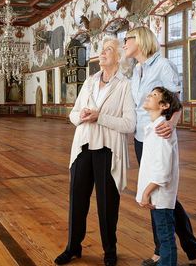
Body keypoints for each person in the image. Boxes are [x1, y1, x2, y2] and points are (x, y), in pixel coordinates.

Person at [123, 27, 196, 266]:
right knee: (155, 197)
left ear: (140, 40)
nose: (124, 43)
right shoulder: (137, 70)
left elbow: (176, 101)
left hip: (158, 136)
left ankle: (188, 248)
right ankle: (165, 250)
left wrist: (171, 125)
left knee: (164, 197)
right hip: (141, 137)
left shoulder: (163, 65)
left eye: (127, 39)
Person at [55, 38, 136, 266]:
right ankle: (73, 247)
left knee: (107, 204)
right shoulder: (89, 82)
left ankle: (110, 250)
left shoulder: (124, 85)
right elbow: (73, 114)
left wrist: (100, 117)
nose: (102, 53)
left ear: (118, 57)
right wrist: (80, 117)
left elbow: (129, 124)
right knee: (77, 200)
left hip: (108, 151)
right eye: (101, 50)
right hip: (83, 147)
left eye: (108, 50)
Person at [137, 87, 183, 266]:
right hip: (157, 196)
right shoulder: (153, 127)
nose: (149, 96)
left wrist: (146, 192)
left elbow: (163, 170)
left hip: (160, 196)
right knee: (164, 236)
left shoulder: (162, 131)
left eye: (154, 95)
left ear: (164, 106)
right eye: (149, 94)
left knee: (166, 239)